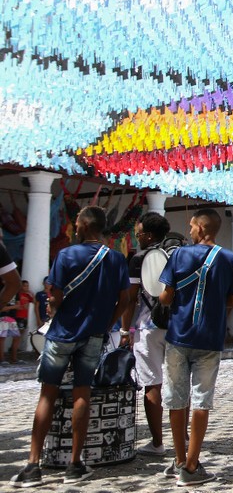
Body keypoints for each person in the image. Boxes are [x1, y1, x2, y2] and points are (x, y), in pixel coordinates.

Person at [11, 206, 130, 487]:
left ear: (85, 225)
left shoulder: (66, 255)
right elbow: (123, 301)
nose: (74, 226)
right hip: (93, 336)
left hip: (62, 334)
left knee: (47, 396)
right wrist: (105, 323)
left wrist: (53, 309)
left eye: (77, 222)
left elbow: (57, 297)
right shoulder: (115, 258)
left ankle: (32, 464)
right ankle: (76, 465)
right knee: (82, 394)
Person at [158, 208, 233, 486]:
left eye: (192, 226)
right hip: (209, 337)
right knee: (201, 401)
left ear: (200, 228)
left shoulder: (179, 255)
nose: (190, 230)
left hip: (178, 336)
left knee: (176, 399)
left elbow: (166, 296)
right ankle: (193, 464)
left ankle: (180, 458)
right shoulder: (230, 259)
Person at [120, 212, 184, 457]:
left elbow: (130, 298)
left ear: (147, 235)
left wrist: (126, 330)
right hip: (177, 325)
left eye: (138, 234)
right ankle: (183, 436)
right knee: (179, 382)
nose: (137, 239)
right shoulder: (178, 255)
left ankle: (157, 442)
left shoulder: (140, 258)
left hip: (149, 326)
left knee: (152, 384)